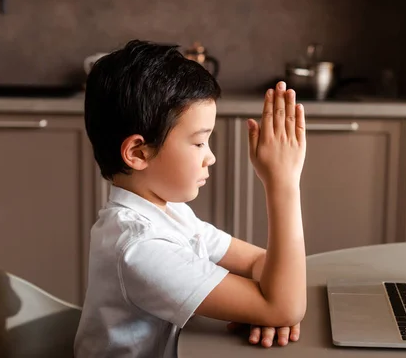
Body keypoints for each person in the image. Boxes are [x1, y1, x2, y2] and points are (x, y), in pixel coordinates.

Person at [74, 40, 307, 357]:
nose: (210, 157)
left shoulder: (171, 213)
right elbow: (283, 305)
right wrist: (284, 183)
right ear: (138, 153)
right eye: (199, 143)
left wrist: (266, 307)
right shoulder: (140, 247)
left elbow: (258, 263)